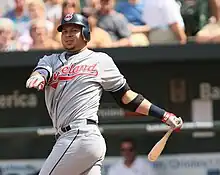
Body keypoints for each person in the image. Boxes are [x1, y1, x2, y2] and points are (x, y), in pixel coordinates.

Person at [25, 13, 183, 175]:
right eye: (64, 31)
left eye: (74, 30)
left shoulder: (100, 60)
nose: (68, 35)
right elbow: (41, 71)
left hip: (81, 135)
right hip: (72, 139)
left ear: (86, 33)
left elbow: (127, 98)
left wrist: (164, 115)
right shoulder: (50, 60)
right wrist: (38, 77)